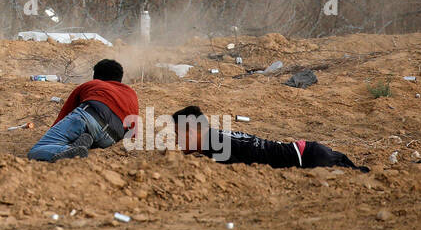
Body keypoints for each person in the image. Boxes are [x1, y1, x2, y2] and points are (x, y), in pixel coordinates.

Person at [170, 105, 369, 171]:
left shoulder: (216, 146)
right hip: (309, 151)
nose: (177, 141)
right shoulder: (215, 138)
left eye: (178, 134)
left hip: (308, 159)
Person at [28, 58, 138, 161]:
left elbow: (66, 114)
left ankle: (67, 150)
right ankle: (80, 144)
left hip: (89, 117)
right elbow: (133, 129)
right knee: (85, 134)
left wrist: (52, 133)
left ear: (96, 76)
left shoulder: (93, 84)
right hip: (111, 138)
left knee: (36, 151)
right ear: (120, 78)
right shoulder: (131, 93)